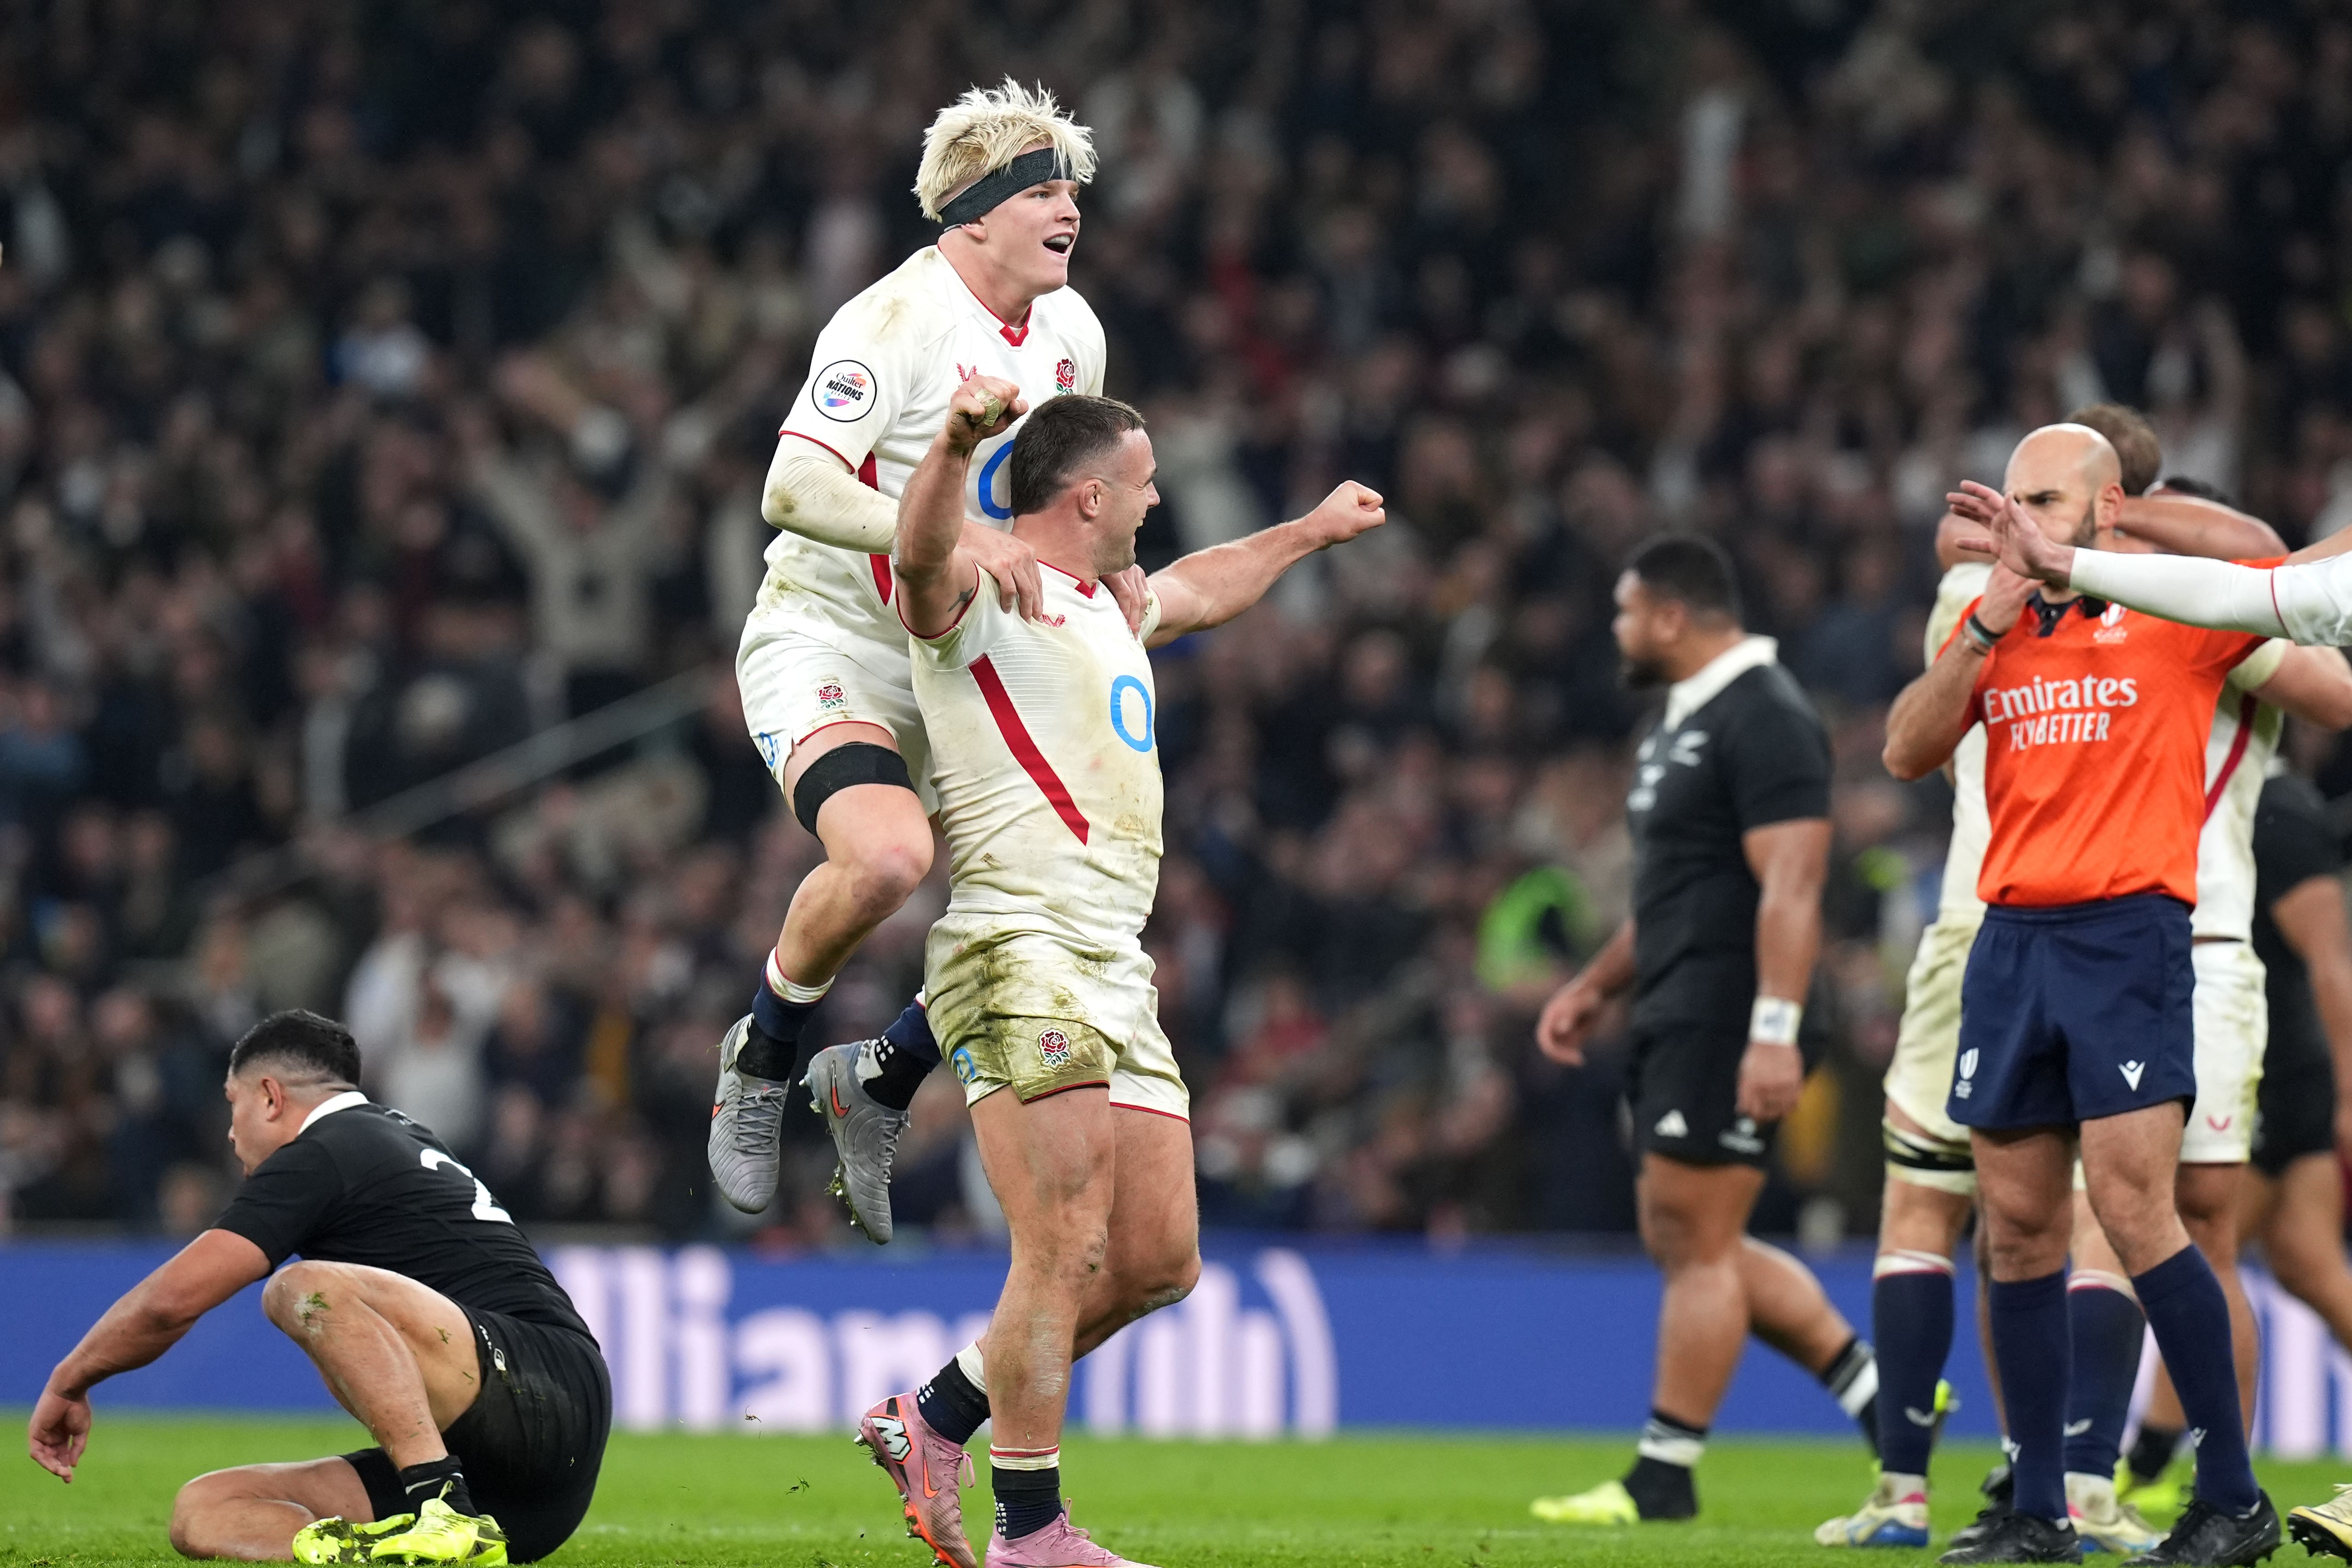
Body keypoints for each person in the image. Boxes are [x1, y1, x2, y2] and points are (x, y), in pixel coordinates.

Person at [848, 380, 1383, 1568]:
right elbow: (919, 551)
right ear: (1088, 494)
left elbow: (1207, 582)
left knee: (1157, 1255)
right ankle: (1029, 1531)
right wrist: (950, 447)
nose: (1156, 497)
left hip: (1112, 963)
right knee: (1063, 1241)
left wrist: (1308, 529)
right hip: (1017, 943)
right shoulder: (981, 592)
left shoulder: (1109, 603)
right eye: (1142, 481)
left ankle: (930, 1417)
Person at [1821, 418, 2352, 1553]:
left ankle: (2230, 1492)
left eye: (2047, 503)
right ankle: (2038, 1502)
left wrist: (2100, 555)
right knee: (2013, 1227)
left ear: (2111, 512)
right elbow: (1907, 749)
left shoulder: (2180, 605)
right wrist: (1989, 622)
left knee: (2134, 1210)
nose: (2018, 520)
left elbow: (2307, 588)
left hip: (2130, 936)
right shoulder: (1989, 620)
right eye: (2010, 501)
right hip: (2010, 940)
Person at [712, 81, 1144, 1242]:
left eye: (1072, 193)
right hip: (834, 641)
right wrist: (967, 533)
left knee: (1052, 894)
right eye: (1044, 192)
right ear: (974, 212)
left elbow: (1074, 481)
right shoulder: (888, 326)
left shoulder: (1073, 331)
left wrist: (1110, 560)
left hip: (962, 648)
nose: (1069, 212)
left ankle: (885, 1075)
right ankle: (764, 1051)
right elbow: (791, 487)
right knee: (892, 856)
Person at [1527, 535, 1881, 1527]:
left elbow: (1794, 882)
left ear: (1673, 615)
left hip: (1732, 1009)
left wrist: (1772, 1030)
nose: (1618, 629)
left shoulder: (1766, 714)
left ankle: (1663, 1473)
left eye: (1626, 611)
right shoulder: (1682, 720)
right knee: (1692, 1235)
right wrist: (1595, 984)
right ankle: (1887, 1403)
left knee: (1696, 1243)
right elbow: (1676, 889)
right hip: (1676, 1000)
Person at [27, 1010, 608, 1566]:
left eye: (235, 1105)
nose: (231, 1134)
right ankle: (389, 1550)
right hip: (519, 1485)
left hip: (540, 1385)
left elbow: (171, 1301)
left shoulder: (327, 1148)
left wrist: (70, 1378)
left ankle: (444, 1507)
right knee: (205, 1509)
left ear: (272, 1097)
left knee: (300, 1287)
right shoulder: (387, 1136)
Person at [2131, 770, 2352, 1513]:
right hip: (2274, 1065)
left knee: (2198, 1249)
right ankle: (2159, 1461)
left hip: (2274, 1071)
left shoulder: (2276, 809)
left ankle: (2156, 1462)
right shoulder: (2224, 795)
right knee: (2310, 1267)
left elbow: (2334, 961)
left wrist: (2350, 1093)